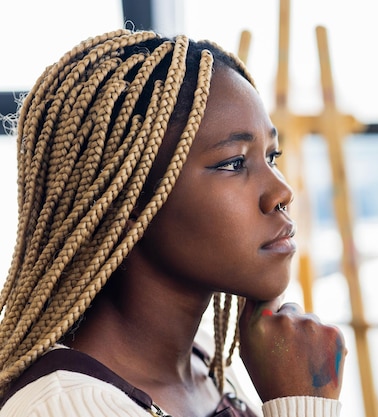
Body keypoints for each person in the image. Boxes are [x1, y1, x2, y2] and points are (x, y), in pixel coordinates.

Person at [0, 28, 346, 417]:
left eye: (272, 156)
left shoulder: (203, 365)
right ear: (126, 194)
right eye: (234, 163)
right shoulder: (62, 407)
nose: (282, 192)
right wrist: (303, 402)